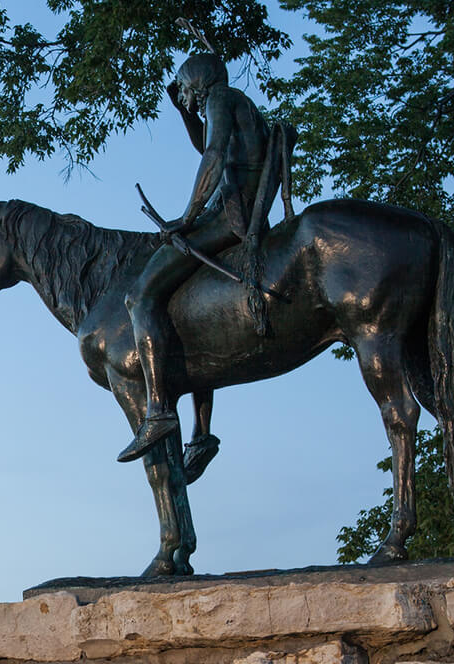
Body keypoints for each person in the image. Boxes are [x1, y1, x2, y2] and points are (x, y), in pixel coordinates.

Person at [118, 53, 270, 465]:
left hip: (228, 217)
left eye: (184, 89)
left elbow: (213, 155)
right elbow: (207, 141)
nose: (183, 95)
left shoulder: (221, 98)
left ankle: (159, 410)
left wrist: (186, 218)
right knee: (185, 311)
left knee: (139, 296)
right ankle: (201, 435)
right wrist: (184, 114)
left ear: (197, 84)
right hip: (235, 211)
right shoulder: (234, 102)